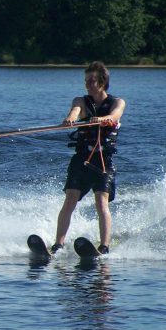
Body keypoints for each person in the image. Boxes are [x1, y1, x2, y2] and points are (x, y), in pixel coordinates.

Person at [51, 61, 126, 255]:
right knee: (70, 199)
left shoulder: (118, 102)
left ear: (102, 82)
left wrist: (102, 119)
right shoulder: (80, 101)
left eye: (91, 81)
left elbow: (114, 116)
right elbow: (75, 111)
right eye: (86, 81)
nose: (87, 85)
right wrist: (70, 119)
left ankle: (104, 246)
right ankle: (58, 244)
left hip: (103, 161)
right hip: (82, 159)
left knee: (101, 202)